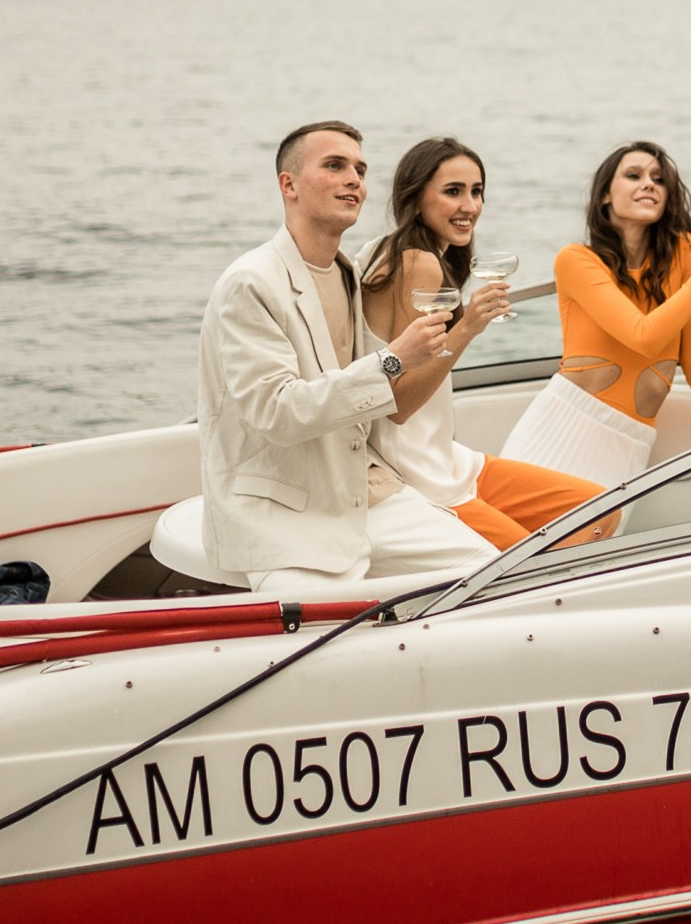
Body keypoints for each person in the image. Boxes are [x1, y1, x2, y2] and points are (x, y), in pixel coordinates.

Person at [197, 121, 497, 594]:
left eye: (360, 168)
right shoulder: (250, 283)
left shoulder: (346, 271)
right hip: (290, 512)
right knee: (313, 642)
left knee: (494, 576)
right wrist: (394, 359)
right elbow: (278, 412)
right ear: (288, 184)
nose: (354, 178)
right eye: (334, 166)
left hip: (367, 491)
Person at [356, 138, 608, 547]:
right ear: (416, 197)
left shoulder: (385, 251)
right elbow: (398, 405)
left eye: (477, 192)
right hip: (418, 471)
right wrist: (468, 327)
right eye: (453, 192)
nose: (470, 206)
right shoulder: (417, 263)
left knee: (597, 509)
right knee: (540, 556)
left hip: (449, 459)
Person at [500, 142, 691, 490]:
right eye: (634, 176)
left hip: (631, 441)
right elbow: (643, 336)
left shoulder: (683, 253)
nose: (649, 184)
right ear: (604, 197)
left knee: (601, 543)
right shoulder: (576, 261)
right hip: (563, 428)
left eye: (658, 179)